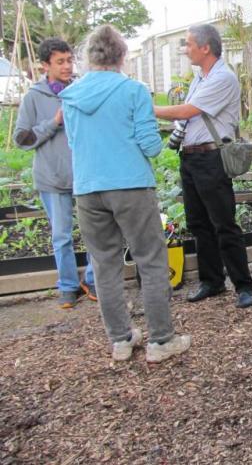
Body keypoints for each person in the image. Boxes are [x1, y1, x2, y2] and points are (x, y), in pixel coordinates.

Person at [59, 25, 190, 362]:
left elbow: (73, 142)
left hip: (88, 189)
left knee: (104, 264)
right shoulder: (133, 91)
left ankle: (120, 339)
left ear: (89, 57)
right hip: (130, 186)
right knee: (150, 259)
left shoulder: (71, 95)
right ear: (120, 56)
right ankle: (161, 340)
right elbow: (150, 146)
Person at [154, 24, 252, 309]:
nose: (185, 50)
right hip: (191, 157)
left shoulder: (223, 78)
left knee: (224, 224)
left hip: (212, 158)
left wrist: (146, 108)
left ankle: (244, 285)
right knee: (199, 223)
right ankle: (212, 281)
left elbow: (188, 111)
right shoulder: (201, 77)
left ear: (205, 47)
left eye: (188, 44)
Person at [14, 38, 96, 309]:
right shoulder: (33, 97)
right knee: (61, 236)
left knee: (95, 231)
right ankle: (69, 286)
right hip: (51, 178)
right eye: (60, 62)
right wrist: (54, 123)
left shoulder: (81, 90)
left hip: (84, 175)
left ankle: (93, 280)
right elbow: (22, 139)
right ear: (45, 65)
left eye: (69, 60)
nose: (67, 66)